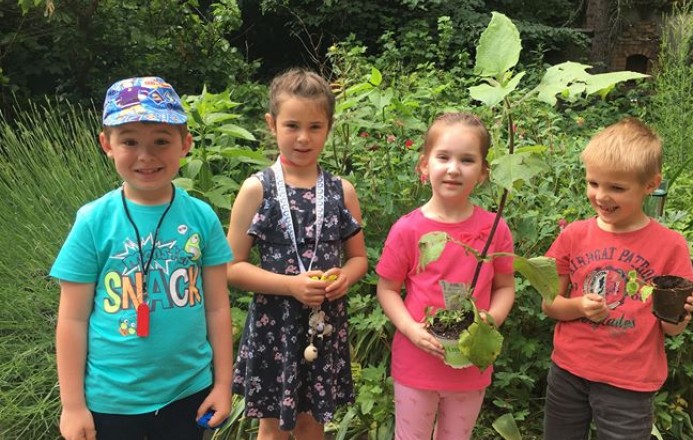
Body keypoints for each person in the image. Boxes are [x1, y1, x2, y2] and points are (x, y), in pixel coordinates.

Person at [51, 76, 234, 440]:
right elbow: (72, 318)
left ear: (185, 144)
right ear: (106, 144)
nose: (146, 156)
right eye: (130, 141)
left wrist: (223, 384)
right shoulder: (93, 222)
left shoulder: (202, 217)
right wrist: (72, 406)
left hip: (189, 392)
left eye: (161, 141)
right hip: (111, 401)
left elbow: (217, 307)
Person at [227, 68, 368, 439]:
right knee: (271, 427)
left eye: (315, 127)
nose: (303, 138)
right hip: (276, 325)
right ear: (271, 124)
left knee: (312, 423)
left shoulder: (341, 191)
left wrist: (345, 277)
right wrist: (290, 285)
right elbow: (232, 267)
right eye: (292, 126)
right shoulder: (257, 189)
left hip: (323, 324)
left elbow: (358, 258)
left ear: (329, 127)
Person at [541, 117, 693, 440]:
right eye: (594, 183)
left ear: (650, 185)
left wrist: (681, 313)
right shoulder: (573, 236)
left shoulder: (670, 246)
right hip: (568, 370)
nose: (601, 196)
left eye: (616, 188)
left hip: (630, 382)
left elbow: (671, 329)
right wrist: (580, 307)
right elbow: (550, 305)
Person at [376, 112, 516, 439]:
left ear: (483, 173)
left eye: (467, 160)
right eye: (443, 157)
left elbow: (506, 286)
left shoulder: (494, 228)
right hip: (417, 363)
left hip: (470, 364)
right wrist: (411, 329)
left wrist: (490, 319)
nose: (453, 168)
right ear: (424, 165)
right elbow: (387, 289)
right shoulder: (408, 230)